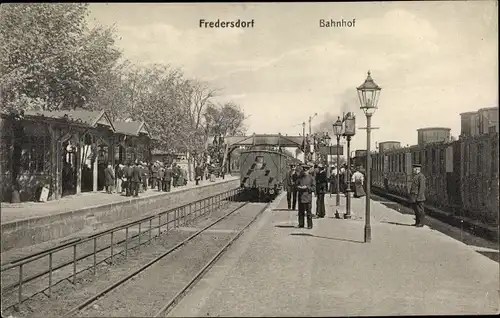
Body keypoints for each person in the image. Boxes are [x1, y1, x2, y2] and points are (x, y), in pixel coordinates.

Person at [296, 163, 316, 229]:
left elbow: (314, 188)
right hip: (301, 197)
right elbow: (296, 186)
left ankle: (309, 225)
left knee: (308, 212)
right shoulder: (299, 178)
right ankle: (301, 224)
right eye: (304, 170)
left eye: (306, 170)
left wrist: (307, 187)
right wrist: (299, 187)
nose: (305, 171)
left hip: (308, 197)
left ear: (308, 170)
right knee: (301, 212)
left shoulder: (311, 178)